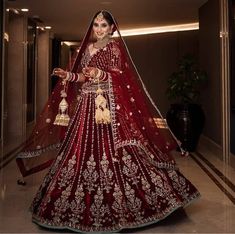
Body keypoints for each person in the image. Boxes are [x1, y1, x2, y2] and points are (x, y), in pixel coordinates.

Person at [16, 10, 200, 233]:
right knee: (77, 151)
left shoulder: (113, 48)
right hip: (86, 106)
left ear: (112, 28)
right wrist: (68, 76)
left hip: (107, 108)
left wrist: (100, 74)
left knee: (122, 151)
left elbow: (119, 75)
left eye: (103, 25)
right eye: (96, 25)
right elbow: (83, 76)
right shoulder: (86, 50)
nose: (99, 29)